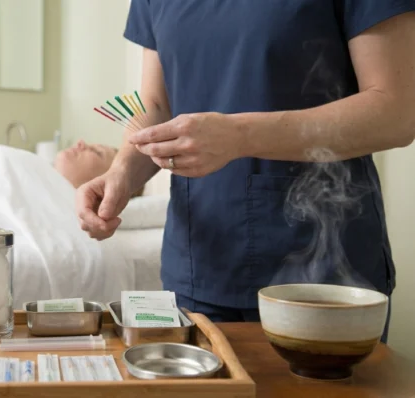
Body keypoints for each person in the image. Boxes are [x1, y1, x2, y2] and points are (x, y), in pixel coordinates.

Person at [76, 0, 415, 343]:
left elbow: (397, 111)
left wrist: (239, 135)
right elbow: (157, 105)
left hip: (323, 269)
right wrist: (121, 173)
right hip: (198, 262)